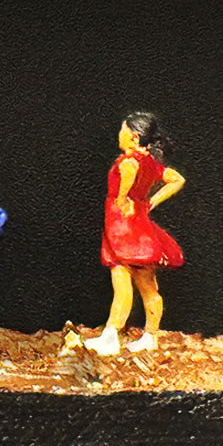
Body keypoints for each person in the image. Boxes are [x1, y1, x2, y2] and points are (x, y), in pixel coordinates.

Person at [86, 112, 185, 356]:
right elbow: (177, 179)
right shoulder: (151, 163)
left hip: (122, 227)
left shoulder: (128, 161)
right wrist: (150, 201)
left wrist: (122, 197)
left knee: (121, 278)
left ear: (133, 136)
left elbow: (129, 171)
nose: (119, 135)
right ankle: (150, 335)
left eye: (122, 130)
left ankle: (111, 336)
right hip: (141, 227)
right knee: (148, 285)